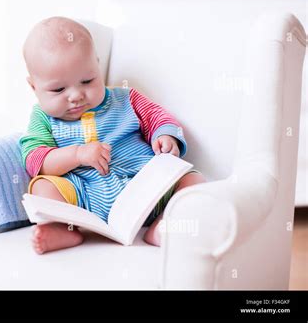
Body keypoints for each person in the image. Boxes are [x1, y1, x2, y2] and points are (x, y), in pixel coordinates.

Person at [20, 16, 206, 254]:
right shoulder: (42, 118)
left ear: (97, 65)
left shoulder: (126, 99)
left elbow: (159, 117)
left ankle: (165, 224)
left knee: (193, 179)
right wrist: (77, 155)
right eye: (58, 89)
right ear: (34, 87)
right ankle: (65, 229)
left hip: (145, 188)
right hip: (83, 196)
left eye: (87, 80)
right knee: (41, 187)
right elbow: (35, 160)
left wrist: (166, 137)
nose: (76, 95)